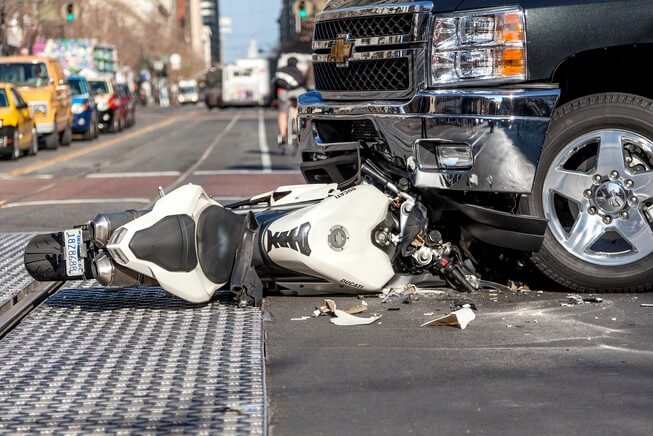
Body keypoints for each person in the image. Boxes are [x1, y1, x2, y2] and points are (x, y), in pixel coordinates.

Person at [273, 57, 306, 148]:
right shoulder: (299, 72)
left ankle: (283, 135)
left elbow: (276, 85)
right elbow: (303, 83)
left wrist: (275, 99)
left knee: (282, 113)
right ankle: (296, 126)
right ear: (296, 63)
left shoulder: (281, 71)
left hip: (283, 93)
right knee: (296, 107)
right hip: (296, 93)